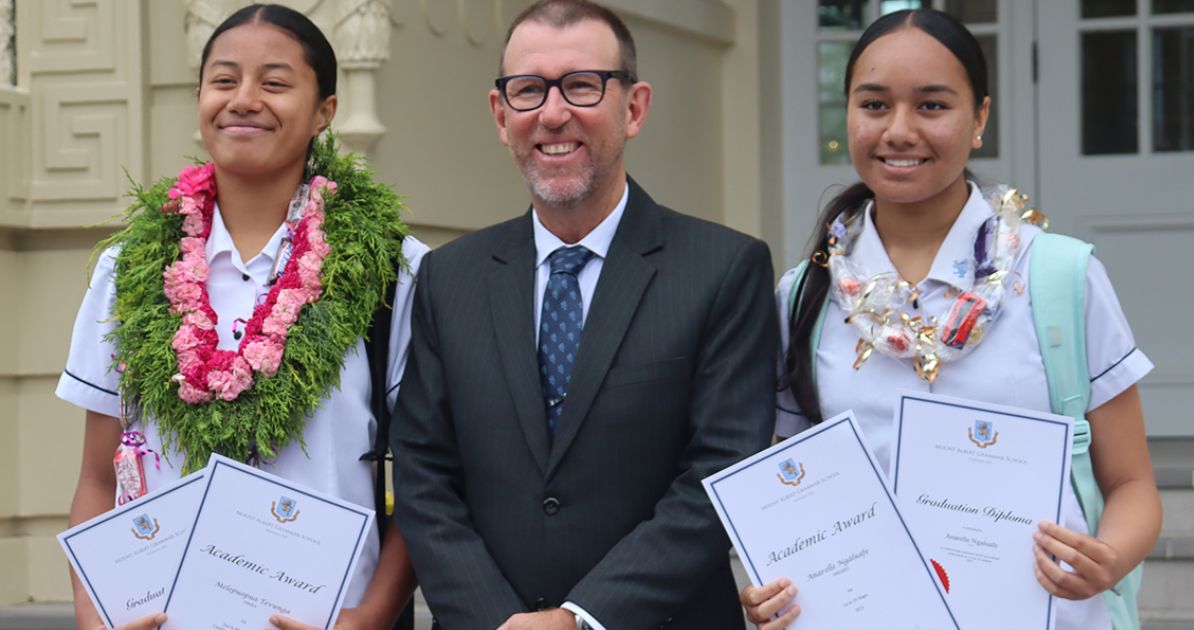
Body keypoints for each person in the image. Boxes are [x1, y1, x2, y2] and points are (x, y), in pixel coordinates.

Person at [739, 8, 1162, 630]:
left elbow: (1132, 486)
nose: (899, 130)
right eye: (875, 105)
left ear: (980, 118)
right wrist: (768, 584)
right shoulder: (805, 294)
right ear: (849, 114)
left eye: (932, 106)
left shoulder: (1058, 277)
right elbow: (794, 494)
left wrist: (1109, 558)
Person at [389, 0, 778, 628]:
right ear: (500, 114)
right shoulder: (448, 277)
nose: (552, 112)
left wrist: (581, 617)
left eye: (581, 85)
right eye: (528, 90)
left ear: (634, 107)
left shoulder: (723, 270)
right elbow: (423, 473)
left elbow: (718, 472)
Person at [58, 4, 427, 629]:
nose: (244, 100)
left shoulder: (391, 270)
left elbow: (427, 482)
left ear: (324, 113)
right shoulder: (128, 268)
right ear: (200, 97)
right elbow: (97, 477)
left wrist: (368, 618)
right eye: (224, 81)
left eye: (275, 83)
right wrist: (97, 619)